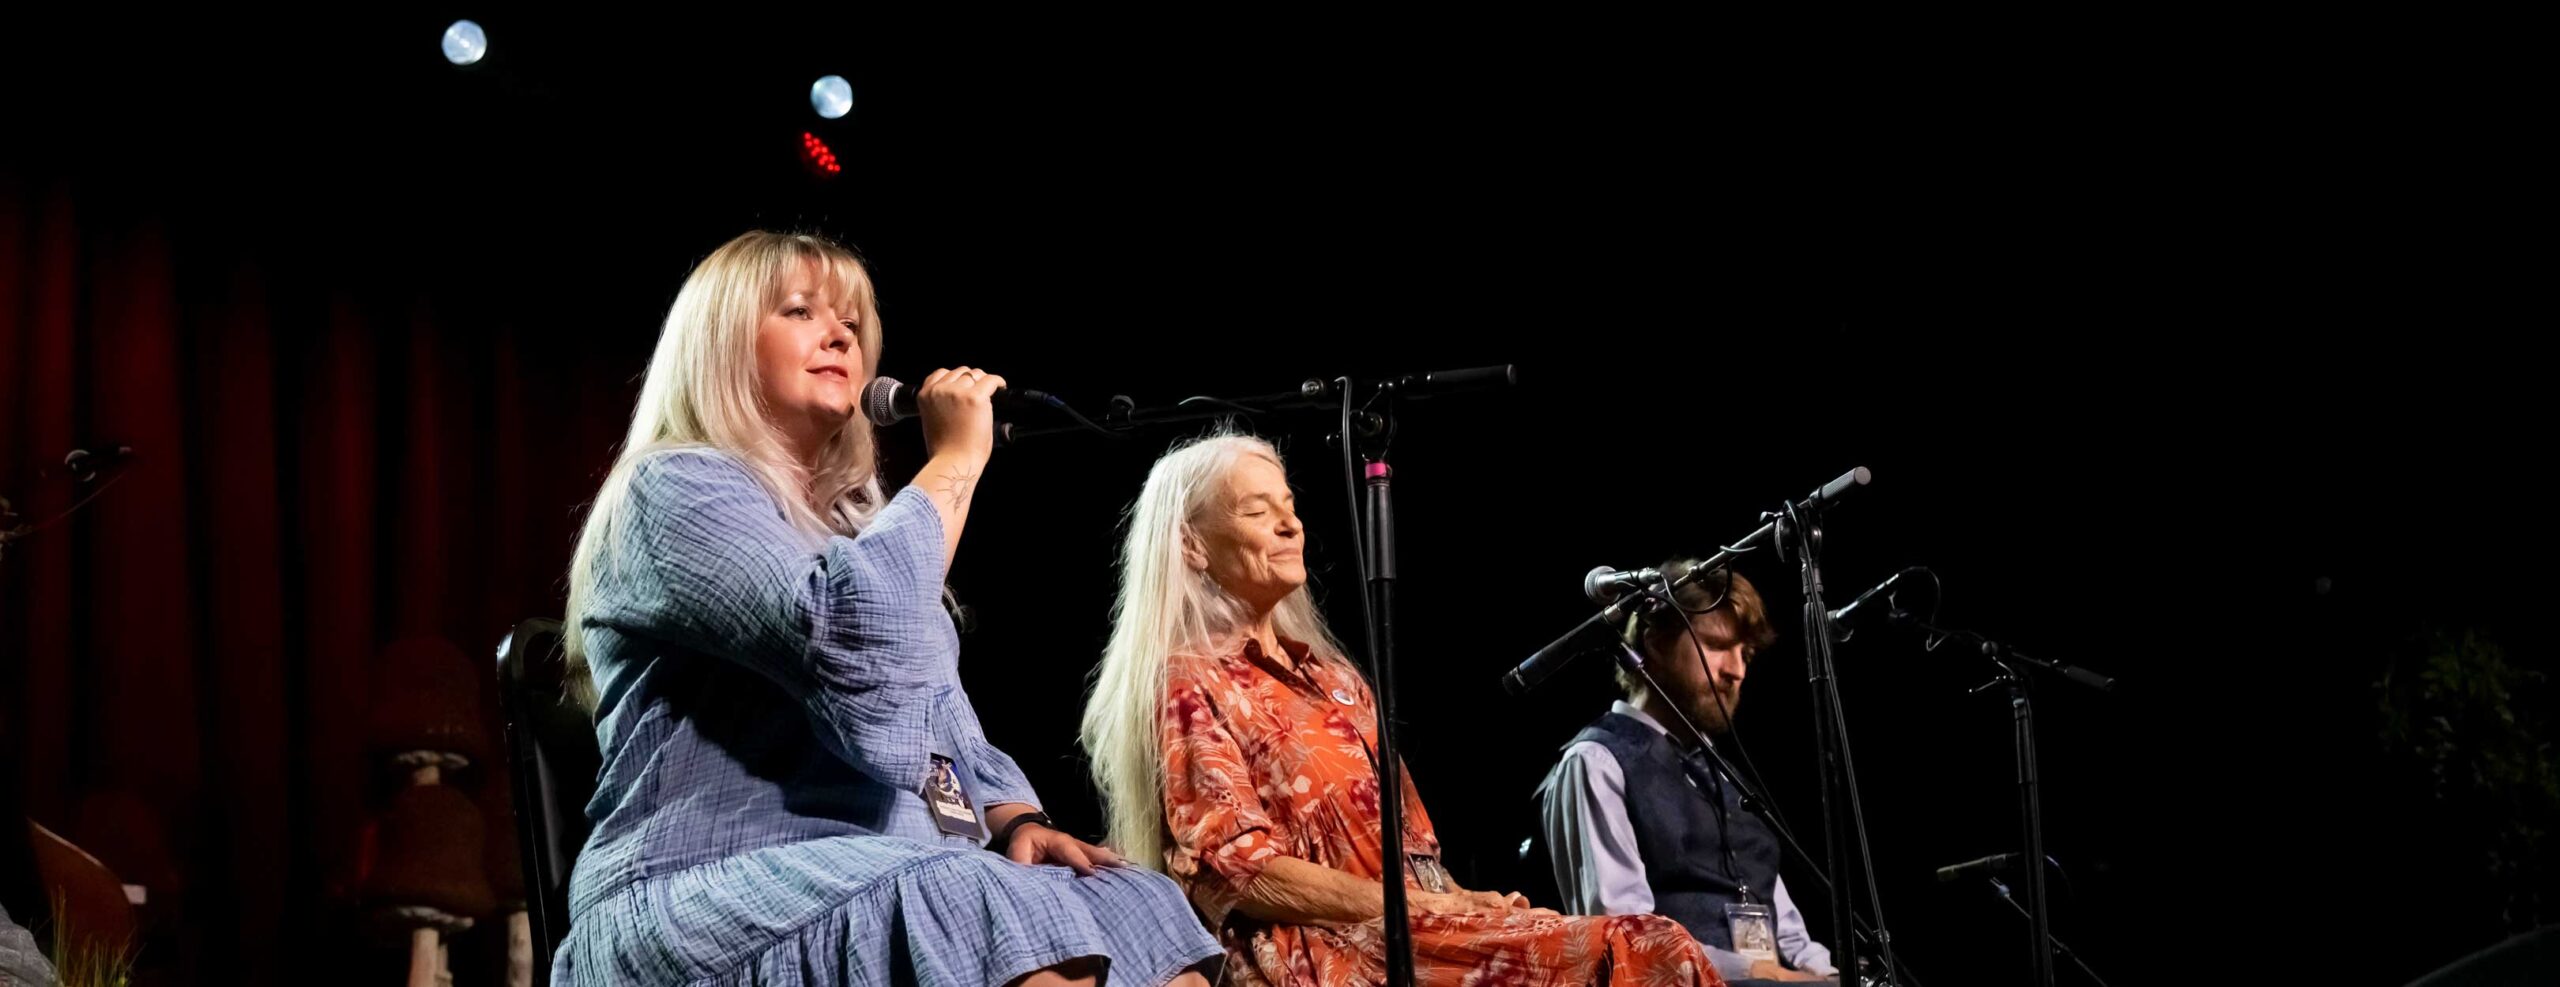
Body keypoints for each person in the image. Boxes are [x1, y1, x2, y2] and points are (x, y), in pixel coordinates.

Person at [554, 231, 1219, 986]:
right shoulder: (672, 488)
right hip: (701, 881)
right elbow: (848, 638)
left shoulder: (855, 535)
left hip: (882, 863)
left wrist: (1013, 818)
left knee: (1135, 902)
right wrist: (957, 461)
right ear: (720, 344)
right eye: (800, 311)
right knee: (965, 898)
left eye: (851, 323)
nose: (840, 335)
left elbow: (930, 708)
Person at [1081, 433, 1718, 986]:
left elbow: (1415, 859)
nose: (1290, 525)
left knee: (1638, 941)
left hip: (1411, 930)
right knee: (1647, 949)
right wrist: (1426, 909)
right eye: (1256, 510)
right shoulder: (1189, 681)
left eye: (1290, 506)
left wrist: (1470, 901)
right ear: (1192, 545)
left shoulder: (1333, 679)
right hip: (1323, 952)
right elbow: (1240, 872)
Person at [1537, 561, 1838, 985]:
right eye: (1715, 645)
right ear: (1656, 644)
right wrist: (1759, 972)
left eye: (1746, 654)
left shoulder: (1728, 776)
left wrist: (1827, 974)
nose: (1736, 670)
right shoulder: (1597, 761)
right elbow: (1626, 939)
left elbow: (1788, 929)